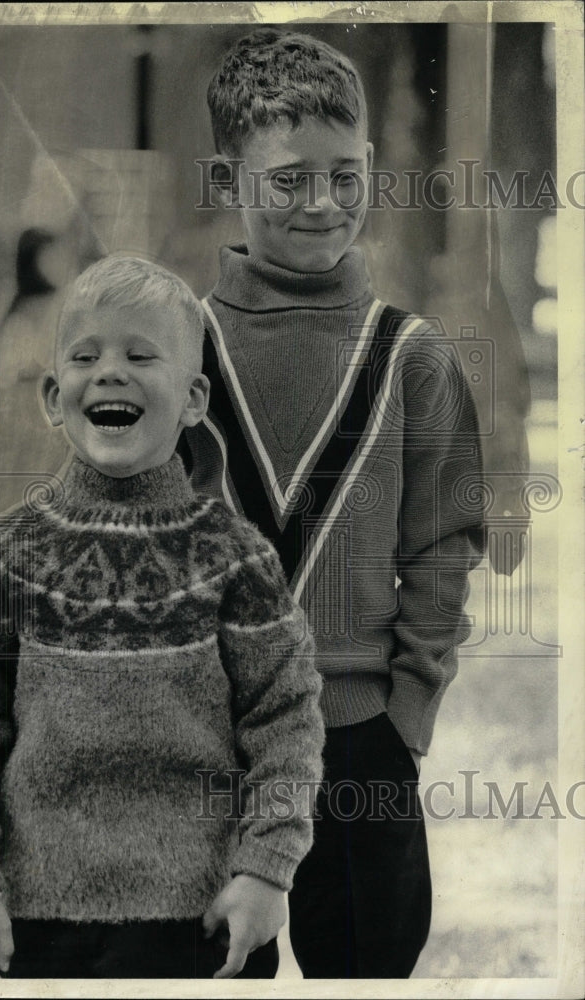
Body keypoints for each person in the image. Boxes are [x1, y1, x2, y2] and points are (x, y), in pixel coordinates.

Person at [183, 28, 487, 978]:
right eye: (288, 179)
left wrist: (409, 714)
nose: (323, 204)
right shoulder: (173, 345)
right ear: (230, 178)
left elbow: (443, 543)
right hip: (205, 739)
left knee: (370, 970)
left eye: (347, 175)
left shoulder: (415, 356)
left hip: (361, 744)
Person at [0, 255, 324, 980]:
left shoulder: (235, 559)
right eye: (86, 357)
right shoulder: (8, 557)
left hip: (203, 919)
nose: (110, 372)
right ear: (54, 396)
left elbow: (287, 722)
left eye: (141, 355)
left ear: (195, 397)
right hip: (39, 922)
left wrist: (267, 870)